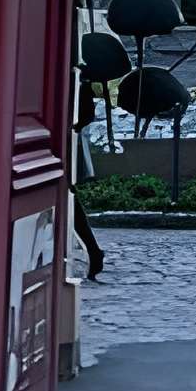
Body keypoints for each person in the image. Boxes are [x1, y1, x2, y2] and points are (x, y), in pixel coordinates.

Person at [71, 70, 106, 280]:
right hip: (65, 137)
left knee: (67, 198)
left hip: (64, 139)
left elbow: (86, 113)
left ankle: (92, 250)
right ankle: (92, 250)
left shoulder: (80, 76)